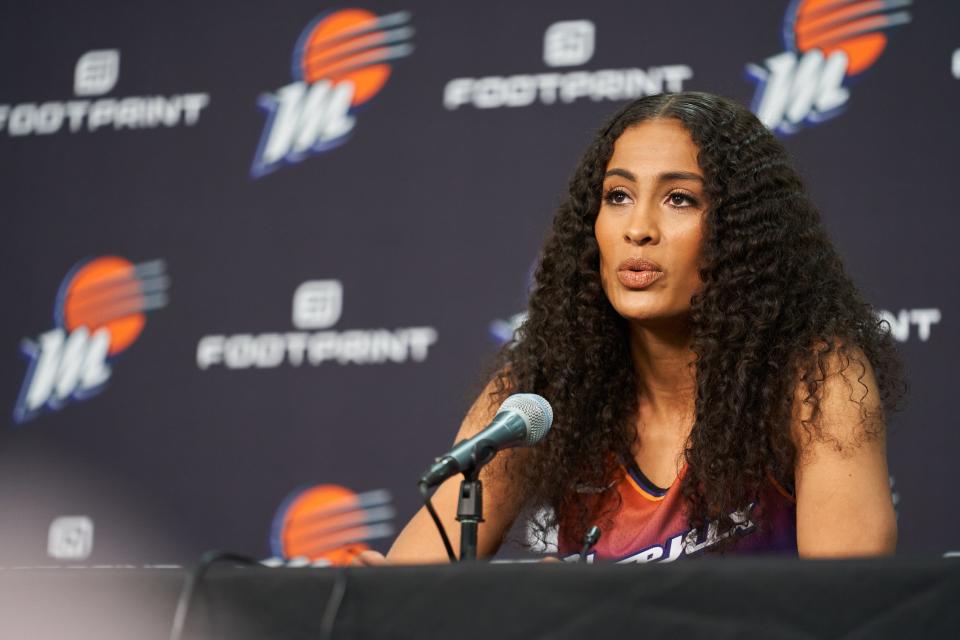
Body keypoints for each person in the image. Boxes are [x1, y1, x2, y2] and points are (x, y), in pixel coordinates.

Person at [359, 91, 903, 565]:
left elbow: (848, 606)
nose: (638, 229)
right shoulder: (539, 392)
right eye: (618, 196)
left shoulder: (815, 381)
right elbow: (413, 583)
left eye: (679, 199)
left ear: (743, 236)